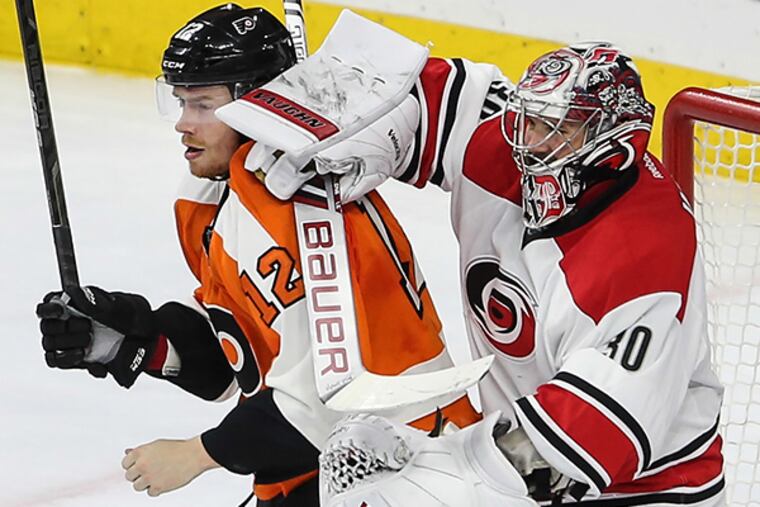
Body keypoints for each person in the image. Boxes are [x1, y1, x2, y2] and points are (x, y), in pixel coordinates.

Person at [35, 5, 479, 506]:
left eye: (202, 104)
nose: (183, 123)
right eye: (179, 101)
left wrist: (196, 454)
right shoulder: (211, 196)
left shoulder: (300, 208)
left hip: (405, 469)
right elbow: (237, 360)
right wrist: (129, 338)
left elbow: (327, 400)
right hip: (325, 467)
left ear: (258, 104)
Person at [262, 41, 725, 506]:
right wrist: (342, 114)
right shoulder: (505, 147)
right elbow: (426, 93)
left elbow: (570, 451)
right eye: (530, 119)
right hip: (521, 453)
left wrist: (439, 463)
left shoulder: (641, 257)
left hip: (647, 491)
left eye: (557, 129)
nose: (530, 142)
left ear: (614, 149)